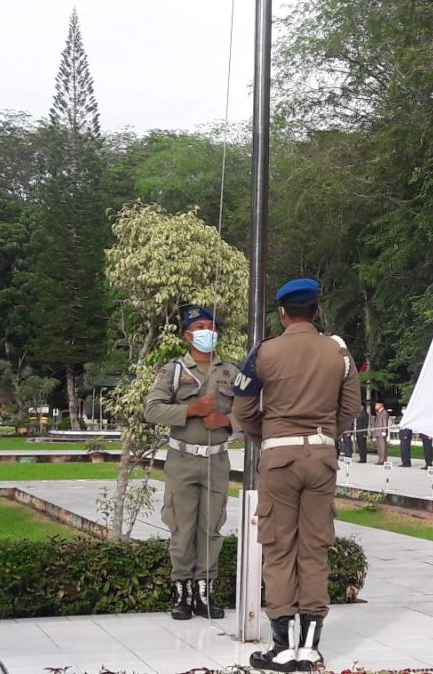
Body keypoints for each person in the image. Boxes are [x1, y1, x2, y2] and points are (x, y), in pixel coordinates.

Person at [232, 278, 360, 672]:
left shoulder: (264, 352)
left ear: (282, 313)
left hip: (278, 459)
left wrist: (267, 437)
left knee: (279, 548)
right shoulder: (338, 351)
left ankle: (283, 649)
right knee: (314, 549)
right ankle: (311, 647)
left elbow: (242, 409)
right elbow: (351, 406)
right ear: (317, 311)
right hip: (321, 459)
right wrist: (323, 436)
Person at [143, 305, 238, 621]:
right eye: (199, 326)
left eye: (210, 326)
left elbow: (251, 413)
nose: (206, 331)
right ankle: (182, 592)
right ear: (187, 334)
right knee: (182, 529)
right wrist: (191, 411)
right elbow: (152, 410)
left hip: (217, 461)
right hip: (182, 459)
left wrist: (226, 420)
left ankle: (204, 591)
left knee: (211, 528)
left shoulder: (230, 373)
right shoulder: (173, 372)